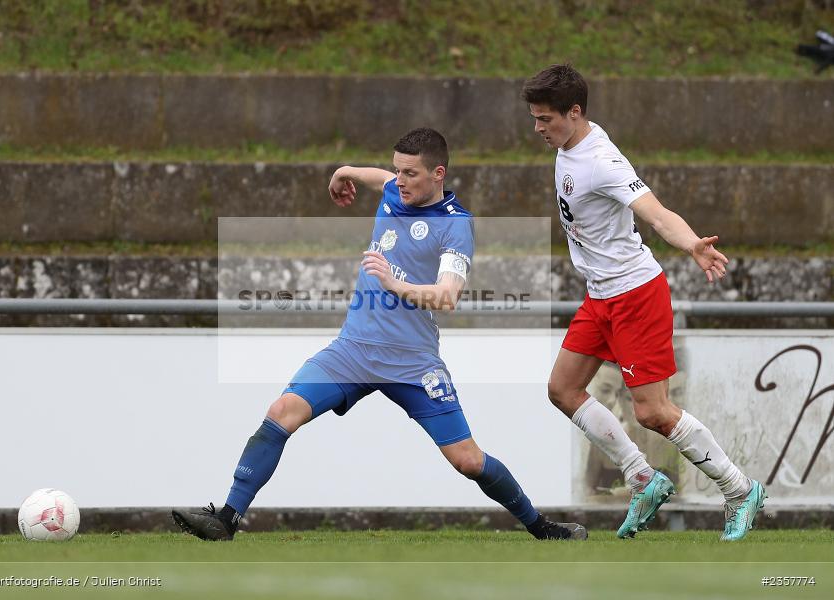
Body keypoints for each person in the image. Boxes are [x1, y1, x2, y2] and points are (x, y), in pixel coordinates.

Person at [173, 128, 586, 541]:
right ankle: (225, 519)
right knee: (282, 411)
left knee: (468, 461)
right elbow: (377, 178)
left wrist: (395, 285)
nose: (399, 180)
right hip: (352, 352)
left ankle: (542, 528)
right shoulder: (395, 189)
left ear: (437, 174)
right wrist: (344, 172)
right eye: (396, 170)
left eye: (410, 174)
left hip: (412, 363)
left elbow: (447, 295)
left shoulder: (455, 225)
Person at [520, 65, 764, 541]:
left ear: (575, 113)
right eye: (534, 118)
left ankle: (740, 489)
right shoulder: (570, 141)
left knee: (652, 411)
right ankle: (643, 478)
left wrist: (692, 243)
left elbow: (654, 213)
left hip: (635, 294)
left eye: (545, 119)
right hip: (600, 296)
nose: (538, 128)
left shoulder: (602, 162)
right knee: (562, 389)